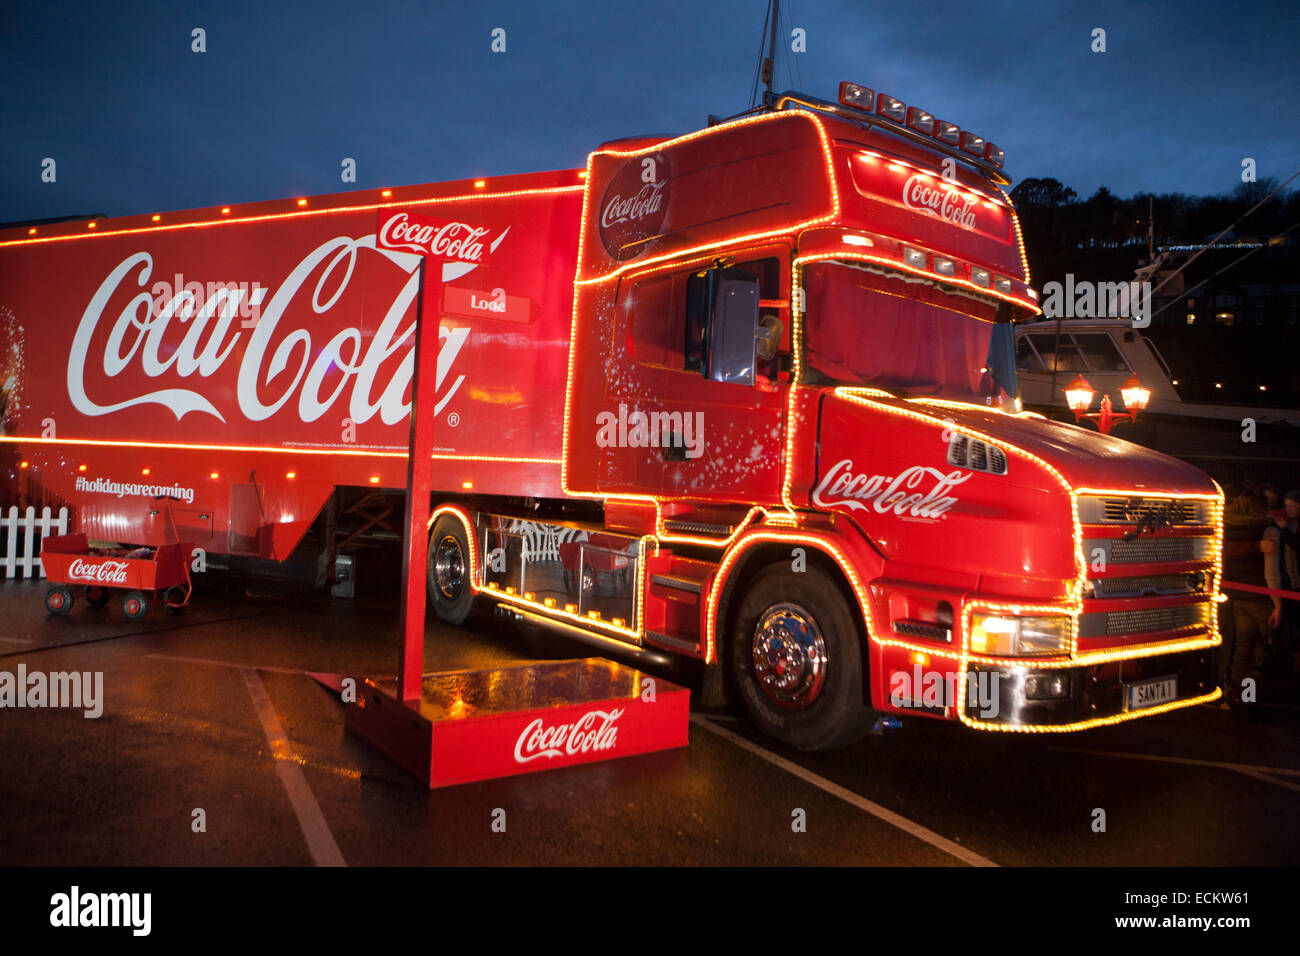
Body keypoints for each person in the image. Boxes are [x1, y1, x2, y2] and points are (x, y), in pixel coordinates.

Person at [1220, 492, 1275, 706]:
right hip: (1260, 597)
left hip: (1235, 597)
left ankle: (1239, 696)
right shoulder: (1265, 529)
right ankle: (1253, 696)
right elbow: (1272, 572)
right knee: (1261, 649)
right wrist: (1278, 603)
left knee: (1241, 649)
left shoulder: (1225, 528)